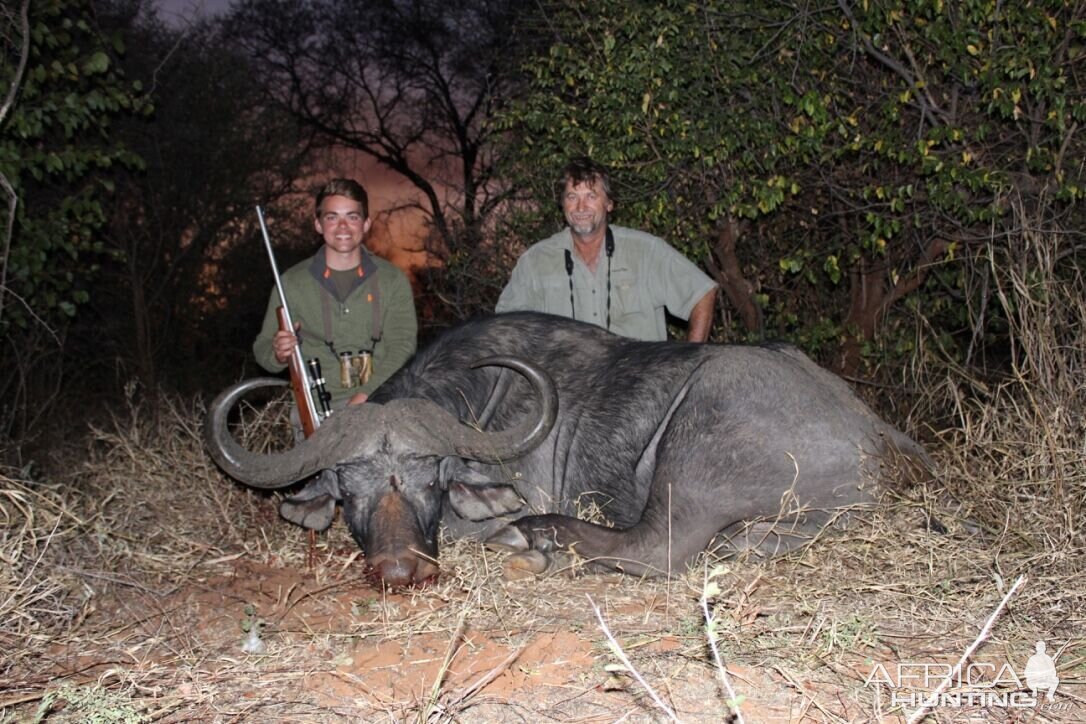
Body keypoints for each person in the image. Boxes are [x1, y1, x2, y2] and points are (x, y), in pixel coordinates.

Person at [496, 157, 717, 342]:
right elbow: (505, 327)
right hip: (566, 387)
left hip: (638, 384)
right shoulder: (534, 261)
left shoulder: (646, 251)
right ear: (562, 204)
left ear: (609, 203)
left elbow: (702, 293)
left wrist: (688, 365)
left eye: (591, 196)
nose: (581, 207)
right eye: (572, 197)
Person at [253, 178, 417, 413]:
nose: (343, 227)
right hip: (317, 411)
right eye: (332, 217)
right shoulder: (290, 282)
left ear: (366, 223)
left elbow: (403, 347)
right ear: (318, 225)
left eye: (352, 217)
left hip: (381, 403)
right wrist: (278, 353)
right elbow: (262, 349)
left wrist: (364, 397)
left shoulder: (392, 279)